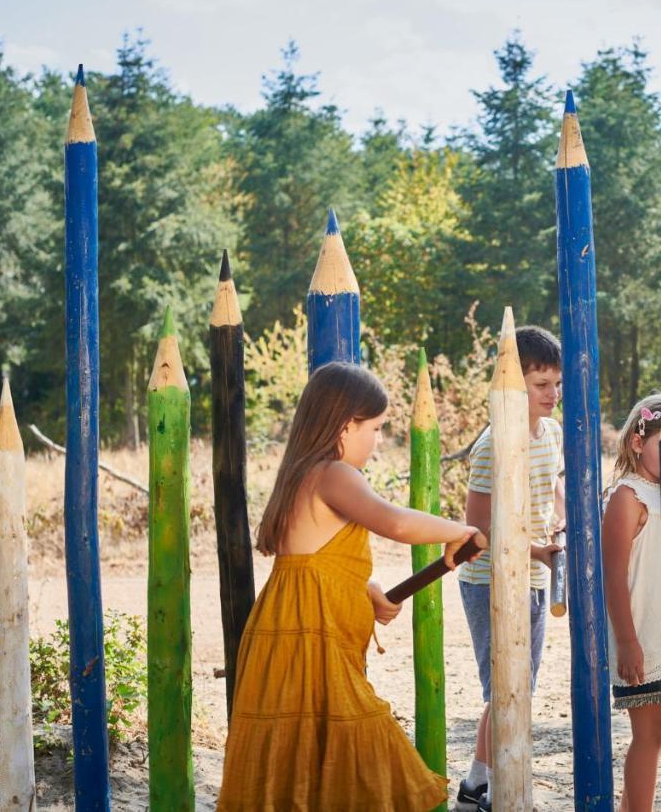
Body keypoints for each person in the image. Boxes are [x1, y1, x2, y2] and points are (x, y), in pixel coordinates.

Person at [217, 362, 485, 811]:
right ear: (346, 426)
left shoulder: (302, 474)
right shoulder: (336, 474)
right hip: (311, 638)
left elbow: (313, 562)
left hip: (286, 636)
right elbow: (395, 522)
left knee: (301, 753)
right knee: (362, 739)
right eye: (376, 428)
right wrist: (460, 530)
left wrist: (368, 587)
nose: (379, 441)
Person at [456, 326, 565, 811]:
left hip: (536, 575)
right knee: (505, 689)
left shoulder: (552, 432)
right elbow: (477, 531)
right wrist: (535, 551)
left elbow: (553, 487)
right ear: (513, 385)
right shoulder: (491, 445)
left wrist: (561, 524)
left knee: (520, 687)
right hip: (489, 582)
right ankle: (485, 787)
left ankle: (478, 784)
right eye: (542, 385)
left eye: (557, 384)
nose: (553, 395)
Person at [602, 394, 661, 812]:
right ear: (637, 443)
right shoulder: (629, 496)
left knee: (660, 733)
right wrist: (627, 641)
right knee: (649, 735)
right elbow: (613, 575)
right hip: (640, 633)